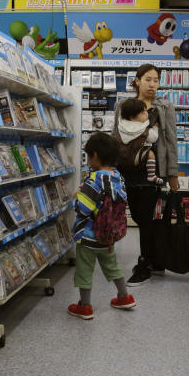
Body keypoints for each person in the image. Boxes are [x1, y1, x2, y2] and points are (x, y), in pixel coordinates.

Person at [113, 64, 178, 286]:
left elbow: (170, 141)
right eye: (148, 79)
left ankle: (145, 263)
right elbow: (117, 135)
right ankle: (154, 259)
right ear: (137, 81)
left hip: (153, 171)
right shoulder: (123, 104)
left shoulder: (165, 107)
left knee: (148, 218)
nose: (152, 84)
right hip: (129, 170)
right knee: (142, 218)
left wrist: (172, 173)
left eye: (156, 80)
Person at [69, 133, 135, 320]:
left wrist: (76, 197)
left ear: (95, 156)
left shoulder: (94, 179)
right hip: (109, 236)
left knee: (84, 270)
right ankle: (124, 297)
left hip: (89, 235)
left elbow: (83, 209)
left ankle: (85, 306)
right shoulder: (118, 178)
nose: (88, 159)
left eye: (89, 156)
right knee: (112, 265)